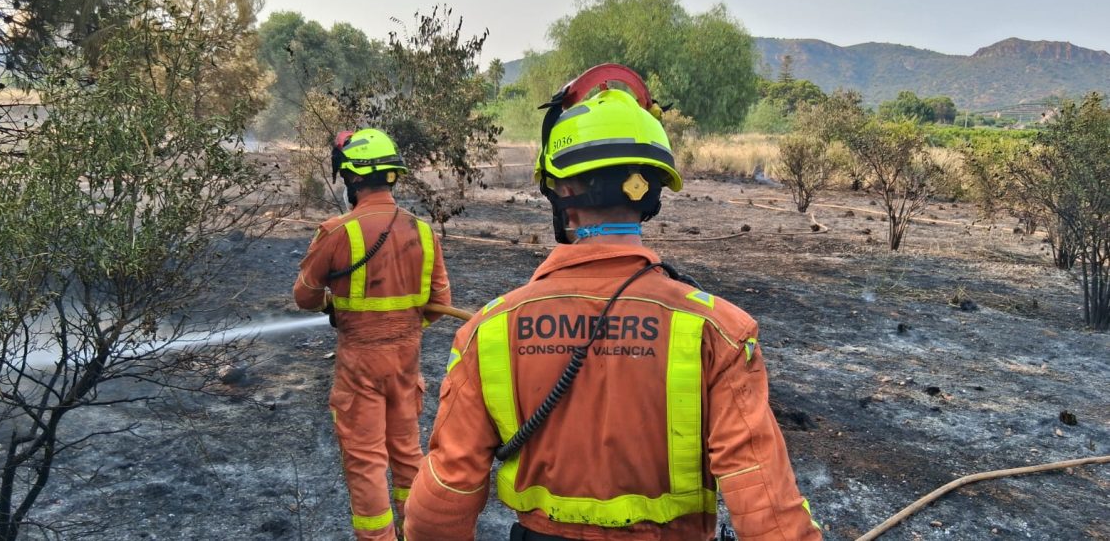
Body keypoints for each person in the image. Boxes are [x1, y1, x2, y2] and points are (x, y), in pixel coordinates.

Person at [403, 67, 822, 540]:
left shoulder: (490, 329)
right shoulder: (719, 331)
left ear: (560, 192)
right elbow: (768, 512)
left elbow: (443, 497)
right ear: (652, 193)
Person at [293, 128, 451, 541]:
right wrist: (403, 331)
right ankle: (414, 530)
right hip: (406, 363)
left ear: (353, 179)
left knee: (365, 462)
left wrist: (338, 306)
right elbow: (438, 303)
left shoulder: (336, 232)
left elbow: (304, 299)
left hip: (359, 367)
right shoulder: (423, 233)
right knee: (406, 453)